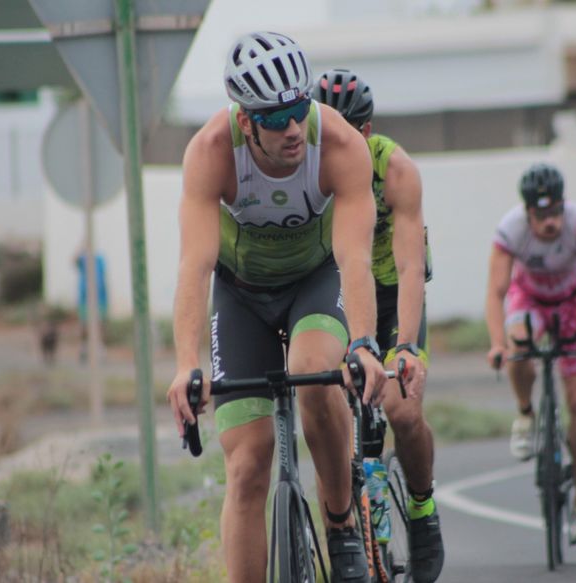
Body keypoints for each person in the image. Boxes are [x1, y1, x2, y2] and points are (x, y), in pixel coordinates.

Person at [165, 32, 391, 583]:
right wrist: (184, 365)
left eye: (298, 109)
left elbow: (354, 258)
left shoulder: (336, 144)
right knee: (246, 467)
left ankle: (340, 526)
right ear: (245, 121)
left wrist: (363, 342)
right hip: (240, 295)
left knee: (313, 379)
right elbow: (194, 267)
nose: (292, 127)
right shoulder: (210, 153)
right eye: (275, 117)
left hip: (314, 283)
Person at [314, 68, 444, 583]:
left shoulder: (398, 171)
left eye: (346, 133)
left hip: (392, 295)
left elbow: (412, 268)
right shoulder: (307, 168)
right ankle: (351, 526)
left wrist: (406, 348)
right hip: (340, 291)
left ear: (366, 133)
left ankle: (422, 507)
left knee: (401, 410)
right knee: (329, 406)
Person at [484, 163, 576, 544]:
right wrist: (497, 343)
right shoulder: (511, 228)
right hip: (530, 297)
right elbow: (496, 291)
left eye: (555, 213)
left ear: (563, 206)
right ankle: (525, 413)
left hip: (572, 302)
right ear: (527, 212)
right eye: (541, 215)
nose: (550, 223)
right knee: (519, 344)